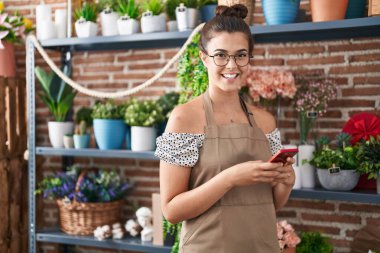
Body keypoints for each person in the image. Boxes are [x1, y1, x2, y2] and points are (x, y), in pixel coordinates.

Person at [155, 4, 295, 252]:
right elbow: (171, 211)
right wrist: (230, 178)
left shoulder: (265, 122)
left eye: (240, 55)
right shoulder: (184, 118)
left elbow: (269, 204)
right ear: (204, 58)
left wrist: (286, 182)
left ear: (249, 58)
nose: (232, 66)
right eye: (221, 55)